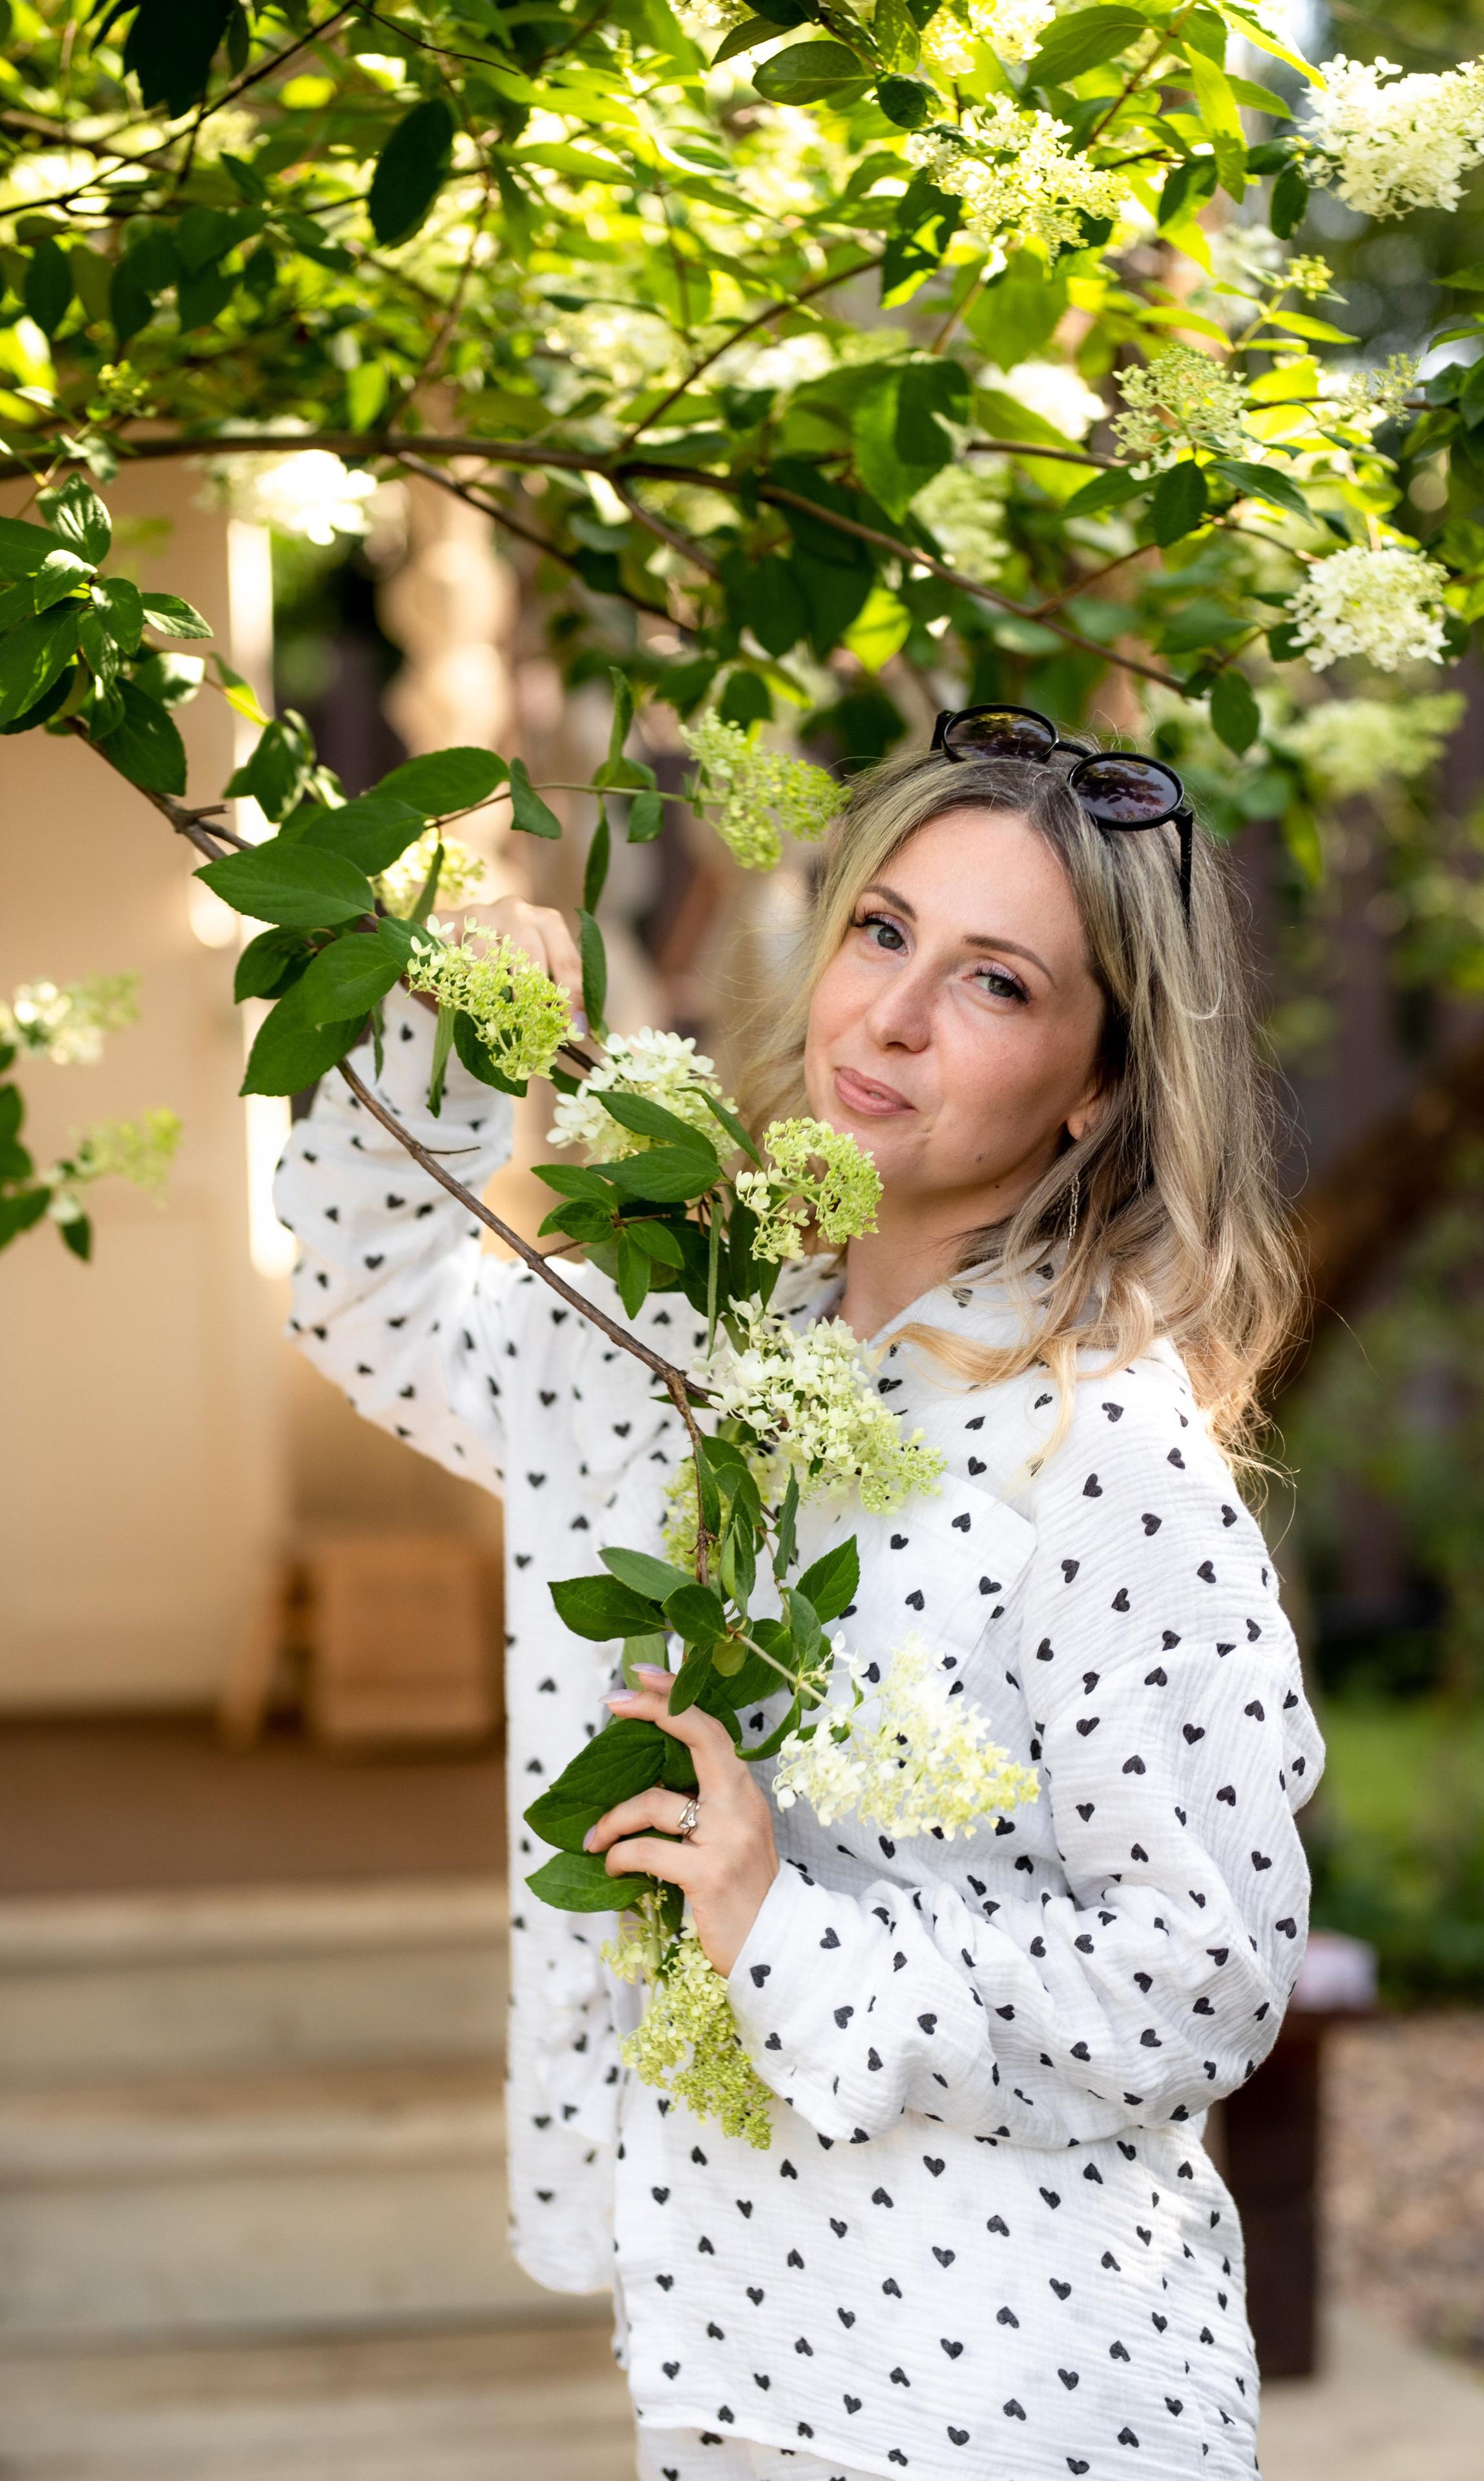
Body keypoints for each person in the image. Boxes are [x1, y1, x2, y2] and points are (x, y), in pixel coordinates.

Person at [275, 709, 1324, 2481]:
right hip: (723, 2351)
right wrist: (443, 1049)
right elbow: (379, 1322)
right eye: (885, 930)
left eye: (997, 984)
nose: (895, 1017)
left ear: (1096, 1079)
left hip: (1012, 2393)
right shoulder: (693, 1323)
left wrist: (794, 1931)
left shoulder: (1104, 1452)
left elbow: (1202, 1975)